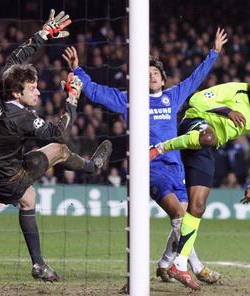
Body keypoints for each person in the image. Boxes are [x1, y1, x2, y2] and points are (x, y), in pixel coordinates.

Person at [63, 28, 228, 289]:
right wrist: (78, 69)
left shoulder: (172, 97)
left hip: (176, 167)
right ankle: (195, 267)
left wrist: (214, 53)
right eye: (146, 74)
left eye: (155, 73)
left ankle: (165, 263)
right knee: (178, 214)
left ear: (162, 79)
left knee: (185, 219)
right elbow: (94, 91)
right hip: (150, 167)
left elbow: (195, 79)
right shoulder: (129, 100)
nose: (151, 76)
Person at [0, 9, 112, 283]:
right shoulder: (22, 119)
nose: (38, 92)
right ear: (17, 93)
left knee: (30, 198)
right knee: (59, 150)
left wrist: (43, 33)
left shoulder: (1, 89)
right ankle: (92, 167)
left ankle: (38, 265)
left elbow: (15, 58)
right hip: (7, 181)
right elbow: (59, 132)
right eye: (32, 89)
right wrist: (72, 98)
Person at [150, 69, 250, 287]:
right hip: (194, 124)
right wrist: (227, 111)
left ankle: (176, 263)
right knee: (208, 136)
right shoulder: (236, 90)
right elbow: (197, 99)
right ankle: (160, 148)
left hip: (206, 148)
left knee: (197, 207)